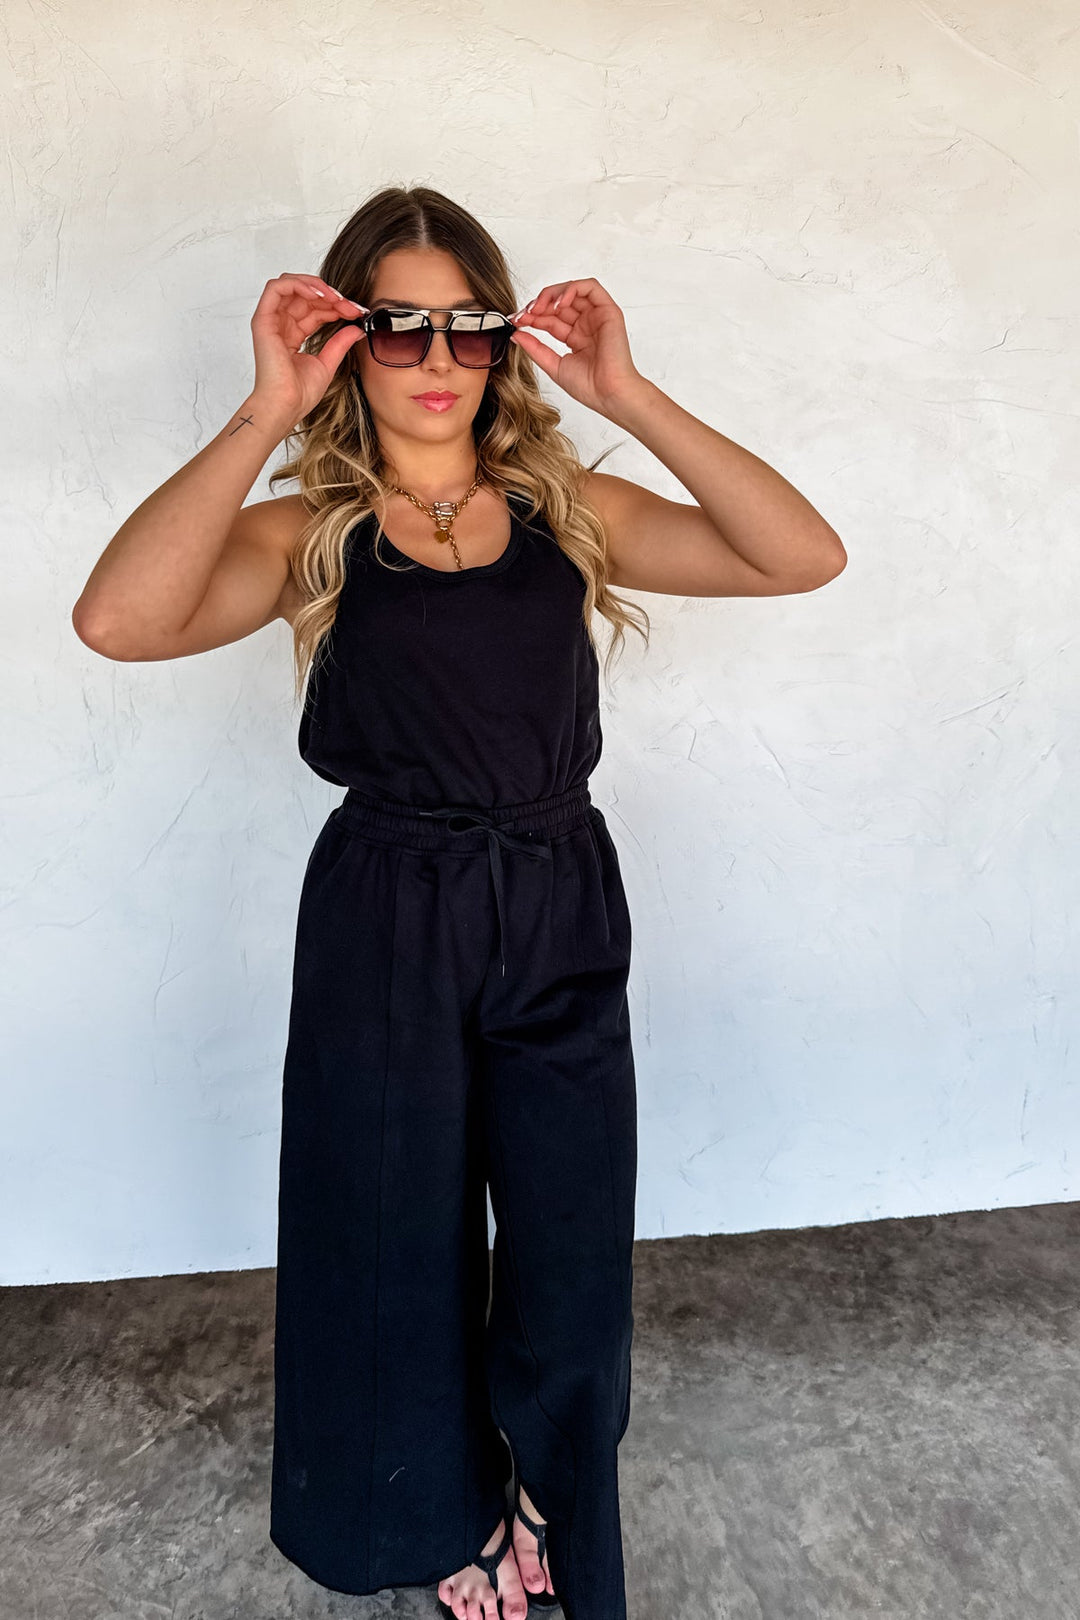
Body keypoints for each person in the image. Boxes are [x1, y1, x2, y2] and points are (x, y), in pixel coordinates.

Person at [72, 185, 846, 1620]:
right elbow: (120, 621)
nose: (436, 354)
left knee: (567, 1243)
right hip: (388, 912)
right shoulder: (313, 526)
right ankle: (433, 1524)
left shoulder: (570, 511)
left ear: (503, 342)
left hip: (557, 894)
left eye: (469, 325)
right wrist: (259, 413)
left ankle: (551, 1491)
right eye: (397, 324)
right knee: (386, 1240)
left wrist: (628, 390)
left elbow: (799, 555)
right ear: (347, 342)